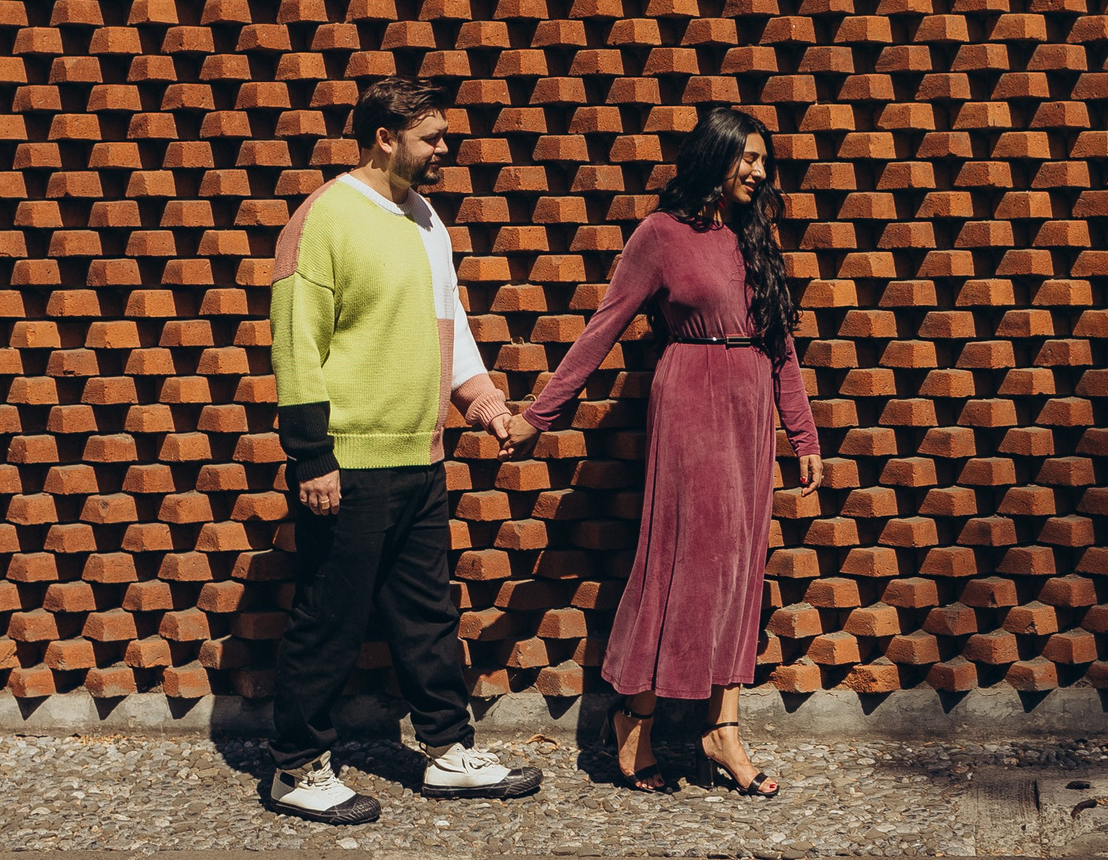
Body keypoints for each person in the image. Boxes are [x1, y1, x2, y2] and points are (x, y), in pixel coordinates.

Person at [504, 106, 822, 798]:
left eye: (765, 162)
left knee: (742, 565)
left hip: (750, 409)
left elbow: (781, 344)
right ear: (716, 156)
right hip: (692, 401)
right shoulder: (660, 235)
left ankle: (722, 729)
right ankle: (637, 716)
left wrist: (803, 434)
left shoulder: (753, 238)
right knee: (687, 561)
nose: (762, 173)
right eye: (751, 159)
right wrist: (538, 417)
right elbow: (602, 329)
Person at [263, 76, 545, 823]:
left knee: (426, 617)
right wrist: (311, 455)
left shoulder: (426, 219)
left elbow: (447, 320)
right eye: (432, 138)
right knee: (331, 618)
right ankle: (295, 766)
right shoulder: (324, 217)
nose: (444, 150)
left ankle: (448, 752)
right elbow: (297, 341)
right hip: (348, 460)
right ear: (385, 138)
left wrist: (484, 406)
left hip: (420, 457)